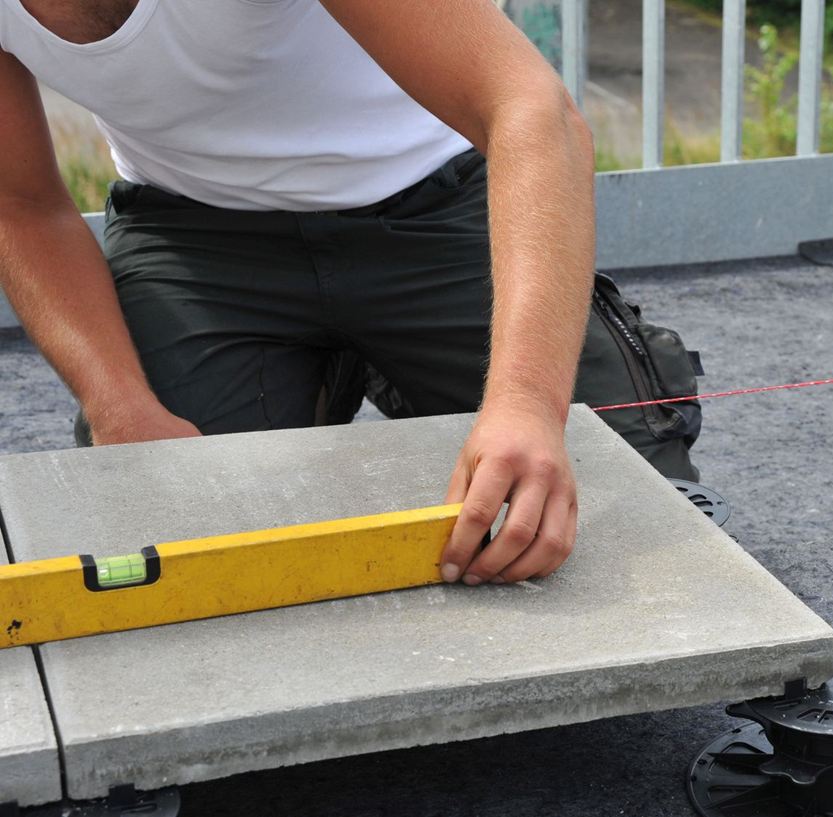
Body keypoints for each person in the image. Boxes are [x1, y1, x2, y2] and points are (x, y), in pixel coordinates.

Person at [0, 1, 700, 589]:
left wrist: (527, 402)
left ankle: (375, 360)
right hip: (195, 236)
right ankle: (339, 362)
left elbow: (529, 107)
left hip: (433, 205)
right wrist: (119, 407)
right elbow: (19, 203)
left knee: (621, 506)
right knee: (164, 527)